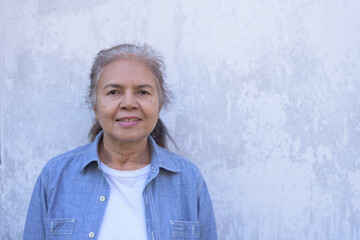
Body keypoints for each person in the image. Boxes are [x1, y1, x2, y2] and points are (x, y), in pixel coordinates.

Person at [23, 43, 218, 240]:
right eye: (113, 92)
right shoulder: (56, 177)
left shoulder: (188, 180)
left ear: (159, 105)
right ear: (95, 106)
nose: (128, 103)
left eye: (143, 92)